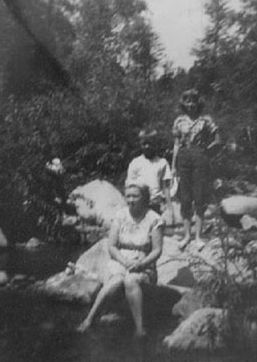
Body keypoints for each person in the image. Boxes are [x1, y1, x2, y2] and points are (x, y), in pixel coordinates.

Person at [76, 183, 164, 338]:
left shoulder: (154, 219)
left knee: (130, 281)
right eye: (128, 195)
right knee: (115, 281)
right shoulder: (120, 215)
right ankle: (89, 319)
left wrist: (141, 264)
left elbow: (157, 249)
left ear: (144, 197)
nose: (130, 199)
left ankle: (139, 328)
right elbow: (111, 245)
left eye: (135, 196)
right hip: (120, 261)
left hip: (144, 264)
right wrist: (124, 261)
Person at [171, 88, 220, 251]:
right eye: (187, 101)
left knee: (199, 195)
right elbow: (176, 145)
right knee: (185, 197)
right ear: (183, 103)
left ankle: (198, 236)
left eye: (193, 101)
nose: (191, 104)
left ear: (198, 103)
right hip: (184, 157)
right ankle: (186, 235)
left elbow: (217, 138)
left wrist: (208, 150)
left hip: (200, 157)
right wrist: (173, 167)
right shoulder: (179, 121)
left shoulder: (205, 120)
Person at [126, 129, 174, 221]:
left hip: (155, 204)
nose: (147, 146)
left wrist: (169, 208)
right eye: (144, 144)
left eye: (150, 143)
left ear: (155, 144)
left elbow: (166, 188)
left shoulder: (162, 163)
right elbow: (129, 186)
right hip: (140, 203)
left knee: (155, 228)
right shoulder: (136, 163)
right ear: (140, 145)